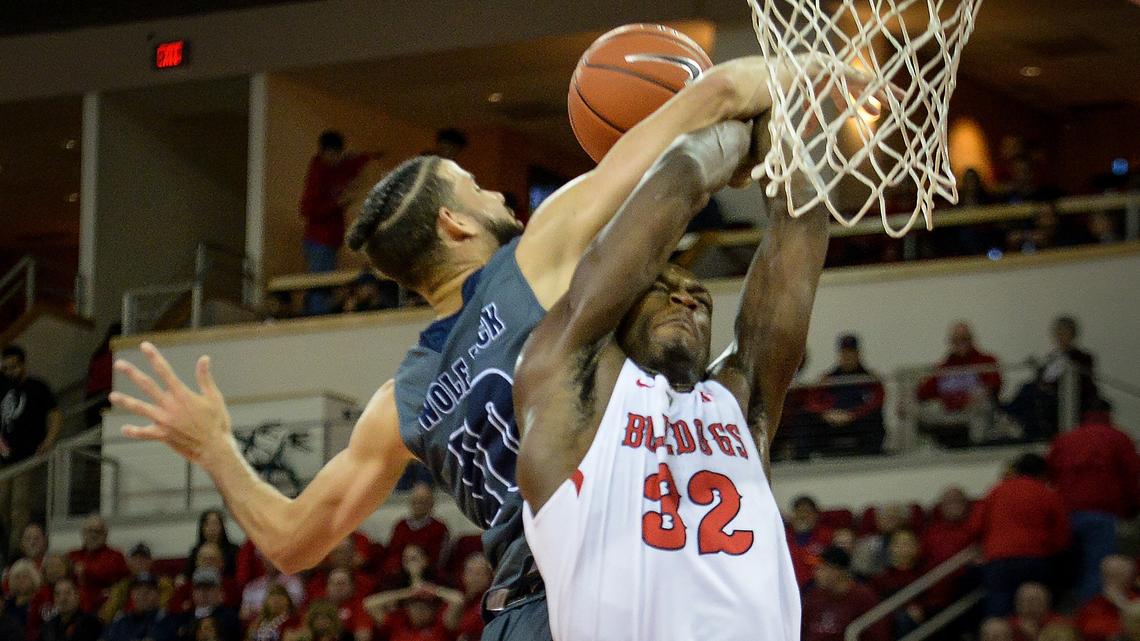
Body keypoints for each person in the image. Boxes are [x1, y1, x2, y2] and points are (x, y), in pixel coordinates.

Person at [110, 53, 792, 641]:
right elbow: (719, 97)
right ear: (455, 223)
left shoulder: (398, 399)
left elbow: (291, 539)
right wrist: (810, 93)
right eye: (478, 187)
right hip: (610, 570)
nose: (499, 192)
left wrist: (216, 448)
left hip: (517, 610)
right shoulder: (536, 256)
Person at [513, 102, 834, 634]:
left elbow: (791, 262)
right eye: (661, 290)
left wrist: (787, 148)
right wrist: (729, 130)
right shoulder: (572, 394)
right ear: (620, 307)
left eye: (699, 295)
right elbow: (651, 221)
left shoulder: (735, 402)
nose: (686, 299)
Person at [1048, 398, 1140, 602]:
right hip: (1102, 514)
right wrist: (1133, 507)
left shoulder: (1064, 439)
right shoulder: (1119, 438)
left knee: (1073, 568)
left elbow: (1051, 473)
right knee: (1096, 569)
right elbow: (1133, 475)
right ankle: (1090, 615)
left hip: (1067, 514)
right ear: (1108, 414)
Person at [969, 454, 1070, 617]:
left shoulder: (997, 491)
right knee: (1036, 608)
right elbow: (1061, 535)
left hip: (999, 559)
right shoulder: (1047, 493)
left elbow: (975, 526)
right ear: (1043, 473)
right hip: (1036, 558)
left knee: (999, 608)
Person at [298, 130, 380, 315]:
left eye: (337, 155)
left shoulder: (341, 167)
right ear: (323, 152)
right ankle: (315, 316)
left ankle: (319, 312)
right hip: (318, 238)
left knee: (326, 282)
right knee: (319, 283)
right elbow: (307, 210)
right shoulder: (318, 173)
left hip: (332, 238)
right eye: (331, 155)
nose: (334, 159)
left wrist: (371, 156)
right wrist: (336, 204)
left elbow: (356, 162)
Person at [0, 345, 61, 554]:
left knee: (20, 505)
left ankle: (16, 552)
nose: (10, 372)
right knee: (3, 505)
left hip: (28, 456)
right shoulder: (2, 387)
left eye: (14, 367)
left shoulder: (37, 387)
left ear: (23, 365)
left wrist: (49, 439)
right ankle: (10, 545)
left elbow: (54, 415)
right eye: (6, 368)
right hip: (4, 458)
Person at [1008, 316, 1099, 439]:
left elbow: (1082, 381)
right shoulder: (1052, 357)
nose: (1060, 336)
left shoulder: (1082, 357)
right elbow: (1043, 377)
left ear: (1072, 335)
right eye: (1058, 332)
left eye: (1064, 332)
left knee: (1029, 392)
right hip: (1045, 393)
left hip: (1066, 396)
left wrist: (1050, 386)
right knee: (1026, 389)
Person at [915, 322, 1003, 447]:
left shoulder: (986, 361)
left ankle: (978, 449)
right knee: (922, 409)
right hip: (947, 411)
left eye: (964, 339)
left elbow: (994, 385)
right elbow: (922, 392)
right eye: (956, 340)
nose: (960, 343)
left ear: (971, 340)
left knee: (982, 404)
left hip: (973, 408)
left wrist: (972, 397)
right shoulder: (943, 367)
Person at [804, 334, 886, 455]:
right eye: (844, 352)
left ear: (858, 354)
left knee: (874, 420)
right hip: (832, 422)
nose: (848, 356)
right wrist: (826, 414)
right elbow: (812, 402)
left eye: (851, 352)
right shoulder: (827, 380)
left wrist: (853, 415)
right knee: (807, 419)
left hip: (858, 422)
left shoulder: (870, 380)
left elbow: (876, 402)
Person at [801, 547, 889, 641]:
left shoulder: (863, 598)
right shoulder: (814, 595)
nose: (815, 573)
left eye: (821, 568)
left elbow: (877, 635)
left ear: (836, 571)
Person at [99, 543, 174, 624]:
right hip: (127, 624)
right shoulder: (123, 585)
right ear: (128, 563)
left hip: (152, 622)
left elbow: (164, 608)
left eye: (144, 558)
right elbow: (108, 613)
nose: (140, 562)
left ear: (151, 562)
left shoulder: (163, 583)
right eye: (135, 559)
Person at [363, 582, 464, 641]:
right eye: (415, 606)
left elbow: (458, 600)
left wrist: (433, 590)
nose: (419, 611)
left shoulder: (442, 625)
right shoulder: (398, 622)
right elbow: (369, 604)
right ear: (407, 608)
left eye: (425, 607)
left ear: (433, 610)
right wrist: (407, 592)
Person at [67, 515, 128, 612]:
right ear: (83, 534)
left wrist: (85, 571)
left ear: (105, 534)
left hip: (103, 610)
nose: (93, 535)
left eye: (97, 531)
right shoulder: (72, 555)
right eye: (89, 531)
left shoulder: (115, 556)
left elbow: (111, 575)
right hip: (74, 610)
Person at [383, 483, 448, 575]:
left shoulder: (439, 528)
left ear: (432, 504)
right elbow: (392, 552)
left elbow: (438, 560)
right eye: (415, 501)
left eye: (423, 501)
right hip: (399, 574)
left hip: (427, 574)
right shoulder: (400, 525)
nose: (418, 505)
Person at [1076, 555, 1139, 641]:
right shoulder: (1092, 605)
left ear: (1130, 577)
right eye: (1108, 575)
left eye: (1118, 575)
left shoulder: (1136, 598)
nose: (1111, 581)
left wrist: (1122, 603)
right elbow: (1090, 630)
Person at [102, 573, 169, 641]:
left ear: (158, 594)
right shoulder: (122, 620)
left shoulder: (166, 620)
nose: (143, 594)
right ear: (132, 594)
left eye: (149, 589)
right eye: (138, 589)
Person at [786, 496, 834, 587]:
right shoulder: (783, 536)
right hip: (789, 584)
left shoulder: (827, 536)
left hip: (817, 587)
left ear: (816, 515)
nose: (803, 516)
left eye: (807, 512)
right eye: (799, 511)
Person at [40, 576, 102, 641]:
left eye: (67, 593)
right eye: (57, 594)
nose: (62, 598)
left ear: (77, 596)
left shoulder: (89, 623)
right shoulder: (48, 627)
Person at [185, 510, 240, 581]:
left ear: (222, 527)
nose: (211, 528)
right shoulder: (196, 551)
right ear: (202, 528)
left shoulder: (234, 550)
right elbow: (187, 574)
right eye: (207, 524)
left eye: (215, 523)